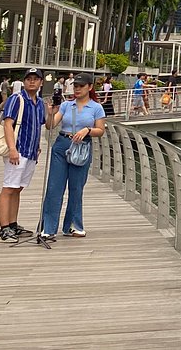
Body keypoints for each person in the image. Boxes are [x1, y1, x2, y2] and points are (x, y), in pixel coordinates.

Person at [40, 73, 107, 240]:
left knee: (76, 188)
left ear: (89, 87)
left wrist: (87, 130)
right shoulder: (66, 105)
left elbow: (100, 130)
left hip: (82, 146)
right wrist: (50, 113)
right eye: (75, 86)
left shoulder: (96, 108)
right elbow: (50, 126)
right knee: (54, 187)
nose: (77, 89)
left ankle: (73, 225)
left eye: (81, 86)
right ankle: (48, 228)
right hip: (62, 144)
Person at [0, 68, 48, 244]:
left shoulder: (40, 103)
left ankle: (12, 224)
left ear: (41, 82)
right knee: (9, 187)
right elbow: (8, 124)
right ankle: (3, 229)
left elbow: (42, 125)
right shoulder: (16, 99)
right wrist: (12, 148)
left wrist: (38, 146)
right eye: (28, 79)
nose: (32, 82)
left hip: (31, 151)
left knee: (17, 188)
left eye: (36, 79)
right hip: (18, 151)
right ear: (24, 82)